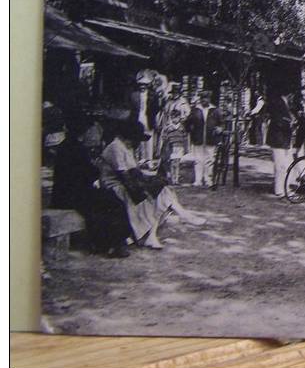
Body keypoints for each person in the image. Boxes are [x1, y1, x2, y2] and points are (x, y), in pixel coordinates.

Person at [99, 119, 205, 250]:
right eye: (137, 139)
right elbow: (125, 176)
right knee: (148, 197)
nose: (138, 143)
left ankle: (160, 229)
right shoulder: (115, 147)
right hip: (115, 188)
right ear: (130, 137)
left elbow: (135, 173)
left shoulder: (126, 147)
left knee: (163, 189)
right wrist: (146, 186)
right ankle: (156, 230)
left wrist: (153, 180)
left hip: (127, 183)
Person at [50, 111, 132, 258]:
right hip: (71, 195)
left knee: (106, 199)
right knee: (112, 202)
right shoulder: (77, 149)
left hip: (64, 193)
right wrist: (95, 167)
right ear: (84, 131)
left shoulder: (66, 146)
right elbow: (90, 174)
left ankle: (110, 242)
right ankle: (112, 243)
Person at [184, 90, 225, 188]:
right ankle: (198, 180)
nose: (204, 101)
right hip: (198, 138)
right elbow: (188, 122)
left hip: (211, 138)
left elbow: (221, 123)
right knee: (198, 160)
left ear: (209, 99)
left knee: (210, 159)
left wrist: (220, 128)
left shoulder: (215, 110)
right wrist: (190, 130)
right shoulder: (195, 110)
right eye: (202, 99)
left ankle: (208, 180)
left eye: (206, 98)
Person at [158, 82, 191, 185]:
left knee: (175, 157)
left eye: (177, 92)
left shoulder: (183, 102)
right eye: (173, 92)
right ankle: (166, 175)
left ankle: (174, 177)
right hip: (167, 128)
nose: (175, 94)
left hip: (177, 130)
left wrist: (180, 120)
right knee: (165, 153)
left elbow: (187, 114)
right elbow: (164, 114)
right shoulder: (168, 102)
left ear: (179, 93)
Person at [264, 89, 295, 197]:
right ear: (289, 94)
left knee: (285, 164)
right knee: (280, 165)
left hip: (284, 139)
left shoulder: (284, 104)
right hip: (278, 139)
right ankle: (279, 189)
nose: (293, 98)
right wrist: (290, 124)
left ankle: (284, 187)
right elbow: (278, 121)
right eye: (292, 95)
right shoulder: (278, 104)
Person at [129, 71, 160, 164]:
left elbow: (156, 108)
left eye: (145, 84)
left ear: (148, 85)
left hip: (148, 118)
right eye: (141, 84)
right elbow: (131, 108)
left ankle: (149, 160)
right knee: (138, 139)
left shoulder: (153, 95)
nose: (143, 86)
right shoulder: (134, 95)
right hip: (138, 118)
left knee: (149, 139)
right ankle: (139, 159)